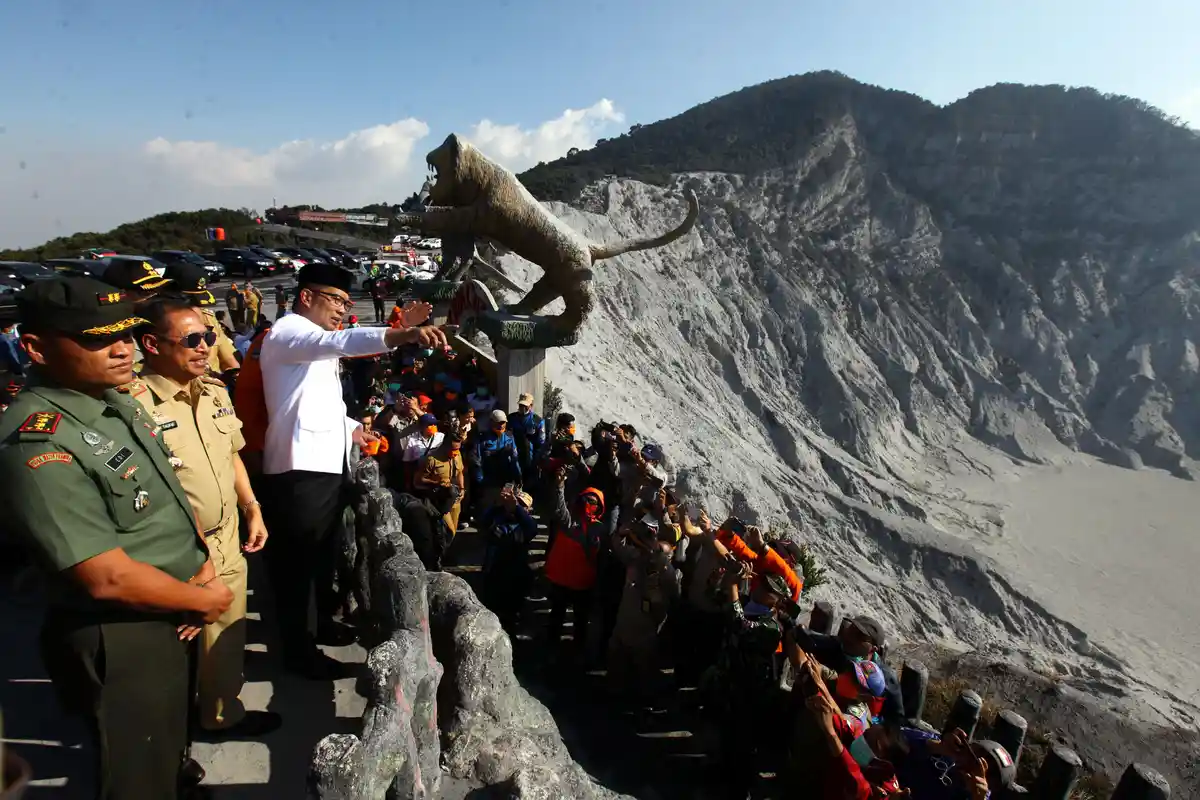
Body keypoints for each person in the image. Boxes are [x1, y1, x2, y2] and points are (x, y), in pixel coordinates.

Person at [0, 277, 233, 799]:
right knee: (133, 768)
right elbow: (104, 576)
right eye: (96, 338)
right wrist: (205, 597)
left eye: (126, 334)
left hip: (175, 608)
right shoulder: (37, 440)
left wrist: (201, 567)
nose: (122, 348)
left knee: (165, 740)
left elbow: (169, 490)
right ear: (36, 347)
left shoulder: (112, 403)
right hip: (119, 631)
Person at [259, 262, 444, 678]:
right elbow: (341, 342)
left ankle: (320, 626)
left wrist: (350, 429)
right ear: (306, 297)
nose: (342, 308)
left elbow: (312, 401)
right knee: (299, 568)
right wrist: (401, 333)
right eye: (336, 300)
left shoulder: (311, 342)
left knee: (321, 559)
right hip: (298, 466)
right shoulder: (289, 331)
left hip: (323, 463)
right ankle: (298, 653)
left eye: (346, 301)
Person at [128, 297, 281, 739]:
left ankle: (221, 714)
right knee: (176, 654)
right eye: (192, 339)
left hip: (228, 535)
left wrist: (252, 507)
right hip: (176, 552)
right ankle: (169, 746)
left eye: (209, 337)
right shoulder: (133, 406)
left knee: (227, 636)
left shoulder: (213, 392)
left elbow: (231, 454)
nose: (204, 347)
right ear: (152, 345)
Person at [480, 486, 538, 634]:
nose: (515, 506)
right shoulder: (498, 519)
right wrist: (498, 504)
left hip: (515, 578)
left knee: (510, 616)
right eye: (515, 502)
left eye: (522, 505)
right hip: (494, 573)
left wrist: (516, 508)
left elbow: (532, 527)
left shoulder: (526, 526)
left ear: (528, 511)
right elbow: (483, 521)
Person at [167, 263, 240, 380]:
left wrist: (235, 378)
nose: (196, 310)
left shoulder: (209, 319)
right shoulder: (159, 325)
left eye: (198, 304)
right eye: (189, 303)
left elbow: (229, 361)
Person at [508, 391, 545, 480]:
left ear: (531, 405)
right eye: (521, 405)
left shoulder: (537, 421)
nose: (523, 407)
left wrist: (537, 460)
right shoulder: (511, 418)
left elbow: (541, 442)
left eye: (525, 405)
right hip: (513, 455)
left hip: (530, 457)